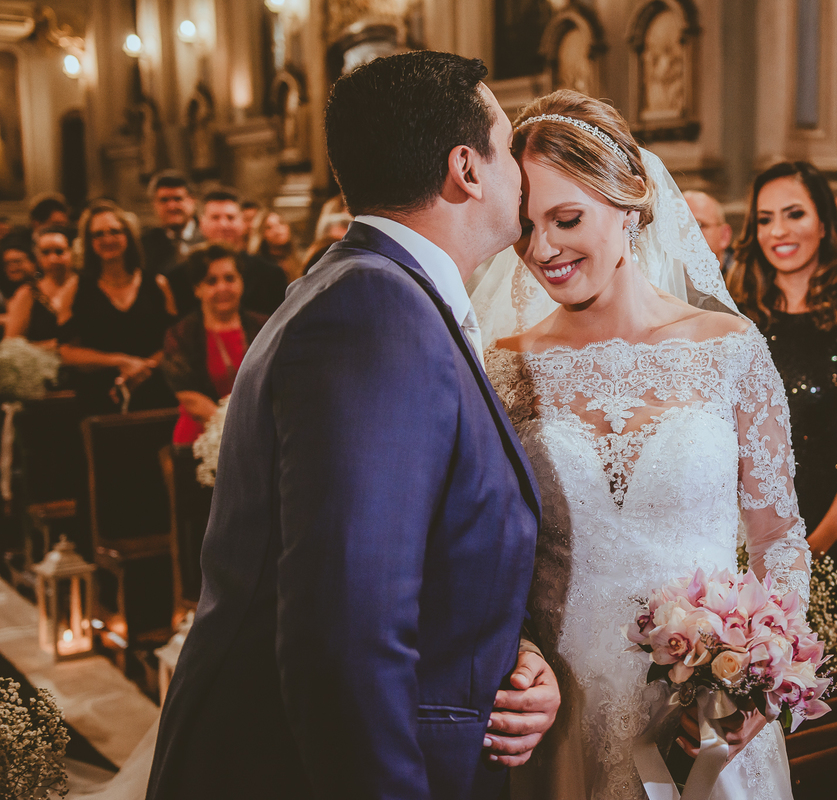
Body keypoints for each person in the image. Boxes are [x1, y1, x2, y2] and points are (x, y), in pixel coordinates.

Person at [146, 51, 558, 800]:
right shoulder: (375, 312)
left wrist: (509, 651)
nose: (521, 176)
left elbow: (420, 556)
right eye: (506, 147)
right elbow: (346, 629)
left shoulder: (369, 288)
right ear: (466, 168)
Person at [471, 90, 810, 800]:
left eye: (567, 219)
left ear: (630, 202)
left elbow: (778, 539)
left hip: (707, 720)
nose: (542, 250)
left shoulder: (730, 351)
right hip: (563, 711)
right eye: (525, 227)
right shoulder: (504, 368)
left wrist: (759, 680)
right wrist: (522, 653)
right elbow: (482, 554)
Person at [727, 162, 837, 617]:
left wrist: (809, 549)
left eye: (794, 213)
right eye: (765, 219)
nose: (778, 231)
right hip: (739, 537)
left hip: (830, 535)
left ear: (823, 223)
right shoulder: (733, 319)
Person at [58, 201, 177, 414]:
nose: (108, 239)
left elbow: (174, 341)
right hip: (98, 396)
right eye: (98, 234)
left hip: (154, 390)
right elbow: (66, 352)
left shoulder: (158, 284)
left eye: (115, 231)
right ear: (89, 242)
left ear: (128, 235)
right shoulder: (75, 288)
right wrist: (119, 361)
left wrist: (141, 368)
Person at [161, 244, 266, 445]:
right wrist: (234, 429)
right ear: (197, 289)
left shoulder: (265, 327)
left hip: (259, 431)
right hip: (202, 438)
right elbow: (188, 395)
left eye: (230, 278)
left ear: (241, 282)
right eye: (211, 281)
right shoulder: (180, 334)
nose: (222, 287)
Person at [167, 189, 287, 317]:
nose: (224, 225)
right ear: (202, 223)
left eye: (230, 217)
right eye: (215, 218)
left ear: (242, 222)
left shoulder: (271, 274)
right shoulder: (180, 277)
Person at [3, 226, 77, 345]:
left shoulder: (86, 286)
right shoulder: (28, 293)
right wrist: (54, 346)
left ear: (71, 252)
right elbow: (11, 345)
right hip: (39, 356)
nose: (53, 259)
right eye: (45, 252)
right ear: (37, 257)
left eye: (59, 251)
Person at [141, 170, 204, 275]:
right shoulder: (144, 245)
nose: (171, 207)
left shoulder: (208, 236)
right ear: (154, 204)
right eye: (164, 200)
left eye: (177, 199)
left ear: (192, 200)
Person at [684, 189, 733, 273]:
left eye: (698, 225)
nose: (686, 235)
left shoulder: (743, 276)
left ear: (724, 235)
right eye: (677, 228)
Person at [249, 209, 302, 283]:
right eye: (269, 227)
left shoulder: (298, 261)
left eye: (281, 223)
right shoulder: (259, 266)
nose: (277, 230)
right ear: (262, 235)